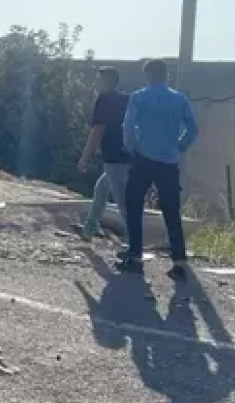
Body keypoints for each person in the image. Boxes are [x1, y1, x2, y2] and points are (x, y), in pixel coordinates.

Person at [118, 59, 199, 279]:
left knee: (134, 205)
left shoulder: (139, 97)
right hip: (169, 161)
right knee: (171, 211)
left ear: (148, 76)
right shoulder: (179, 99)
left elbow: (128, 126)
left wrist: (133, 146)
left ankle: (135, 256)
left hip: (143, 158)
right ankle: (179, 262)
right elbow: (192, 129)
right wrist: (179, 146)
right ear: (166, 76)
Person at [76, 67, 130, 239]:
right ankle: (89, 229)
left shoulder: (104, 101)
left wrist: (85, 158)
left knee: (122, 201)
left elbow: (97, 131)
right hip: (129, 155)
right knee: (101, 188)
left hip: (114, 157)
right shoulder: (126, 99)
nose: (96, 83)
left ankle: (133, 242)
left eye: (99, 79)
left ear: (108, 81)